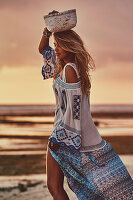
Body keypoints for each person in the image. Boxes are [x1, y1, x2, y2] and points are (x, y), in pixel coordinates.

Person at [38, 26, 133, 200]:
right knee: (58, 187)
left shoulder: (70, 70)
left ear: (70, 46)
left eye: (60, 45)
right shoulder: (63, 67)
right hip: (67, 134)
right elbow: (43, 50)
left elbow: (75, 111)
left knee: (56, 187)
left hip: (68, 136)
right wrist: (47, 30)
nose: (56, 49)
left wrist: (61, 139)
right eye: (55, 44)